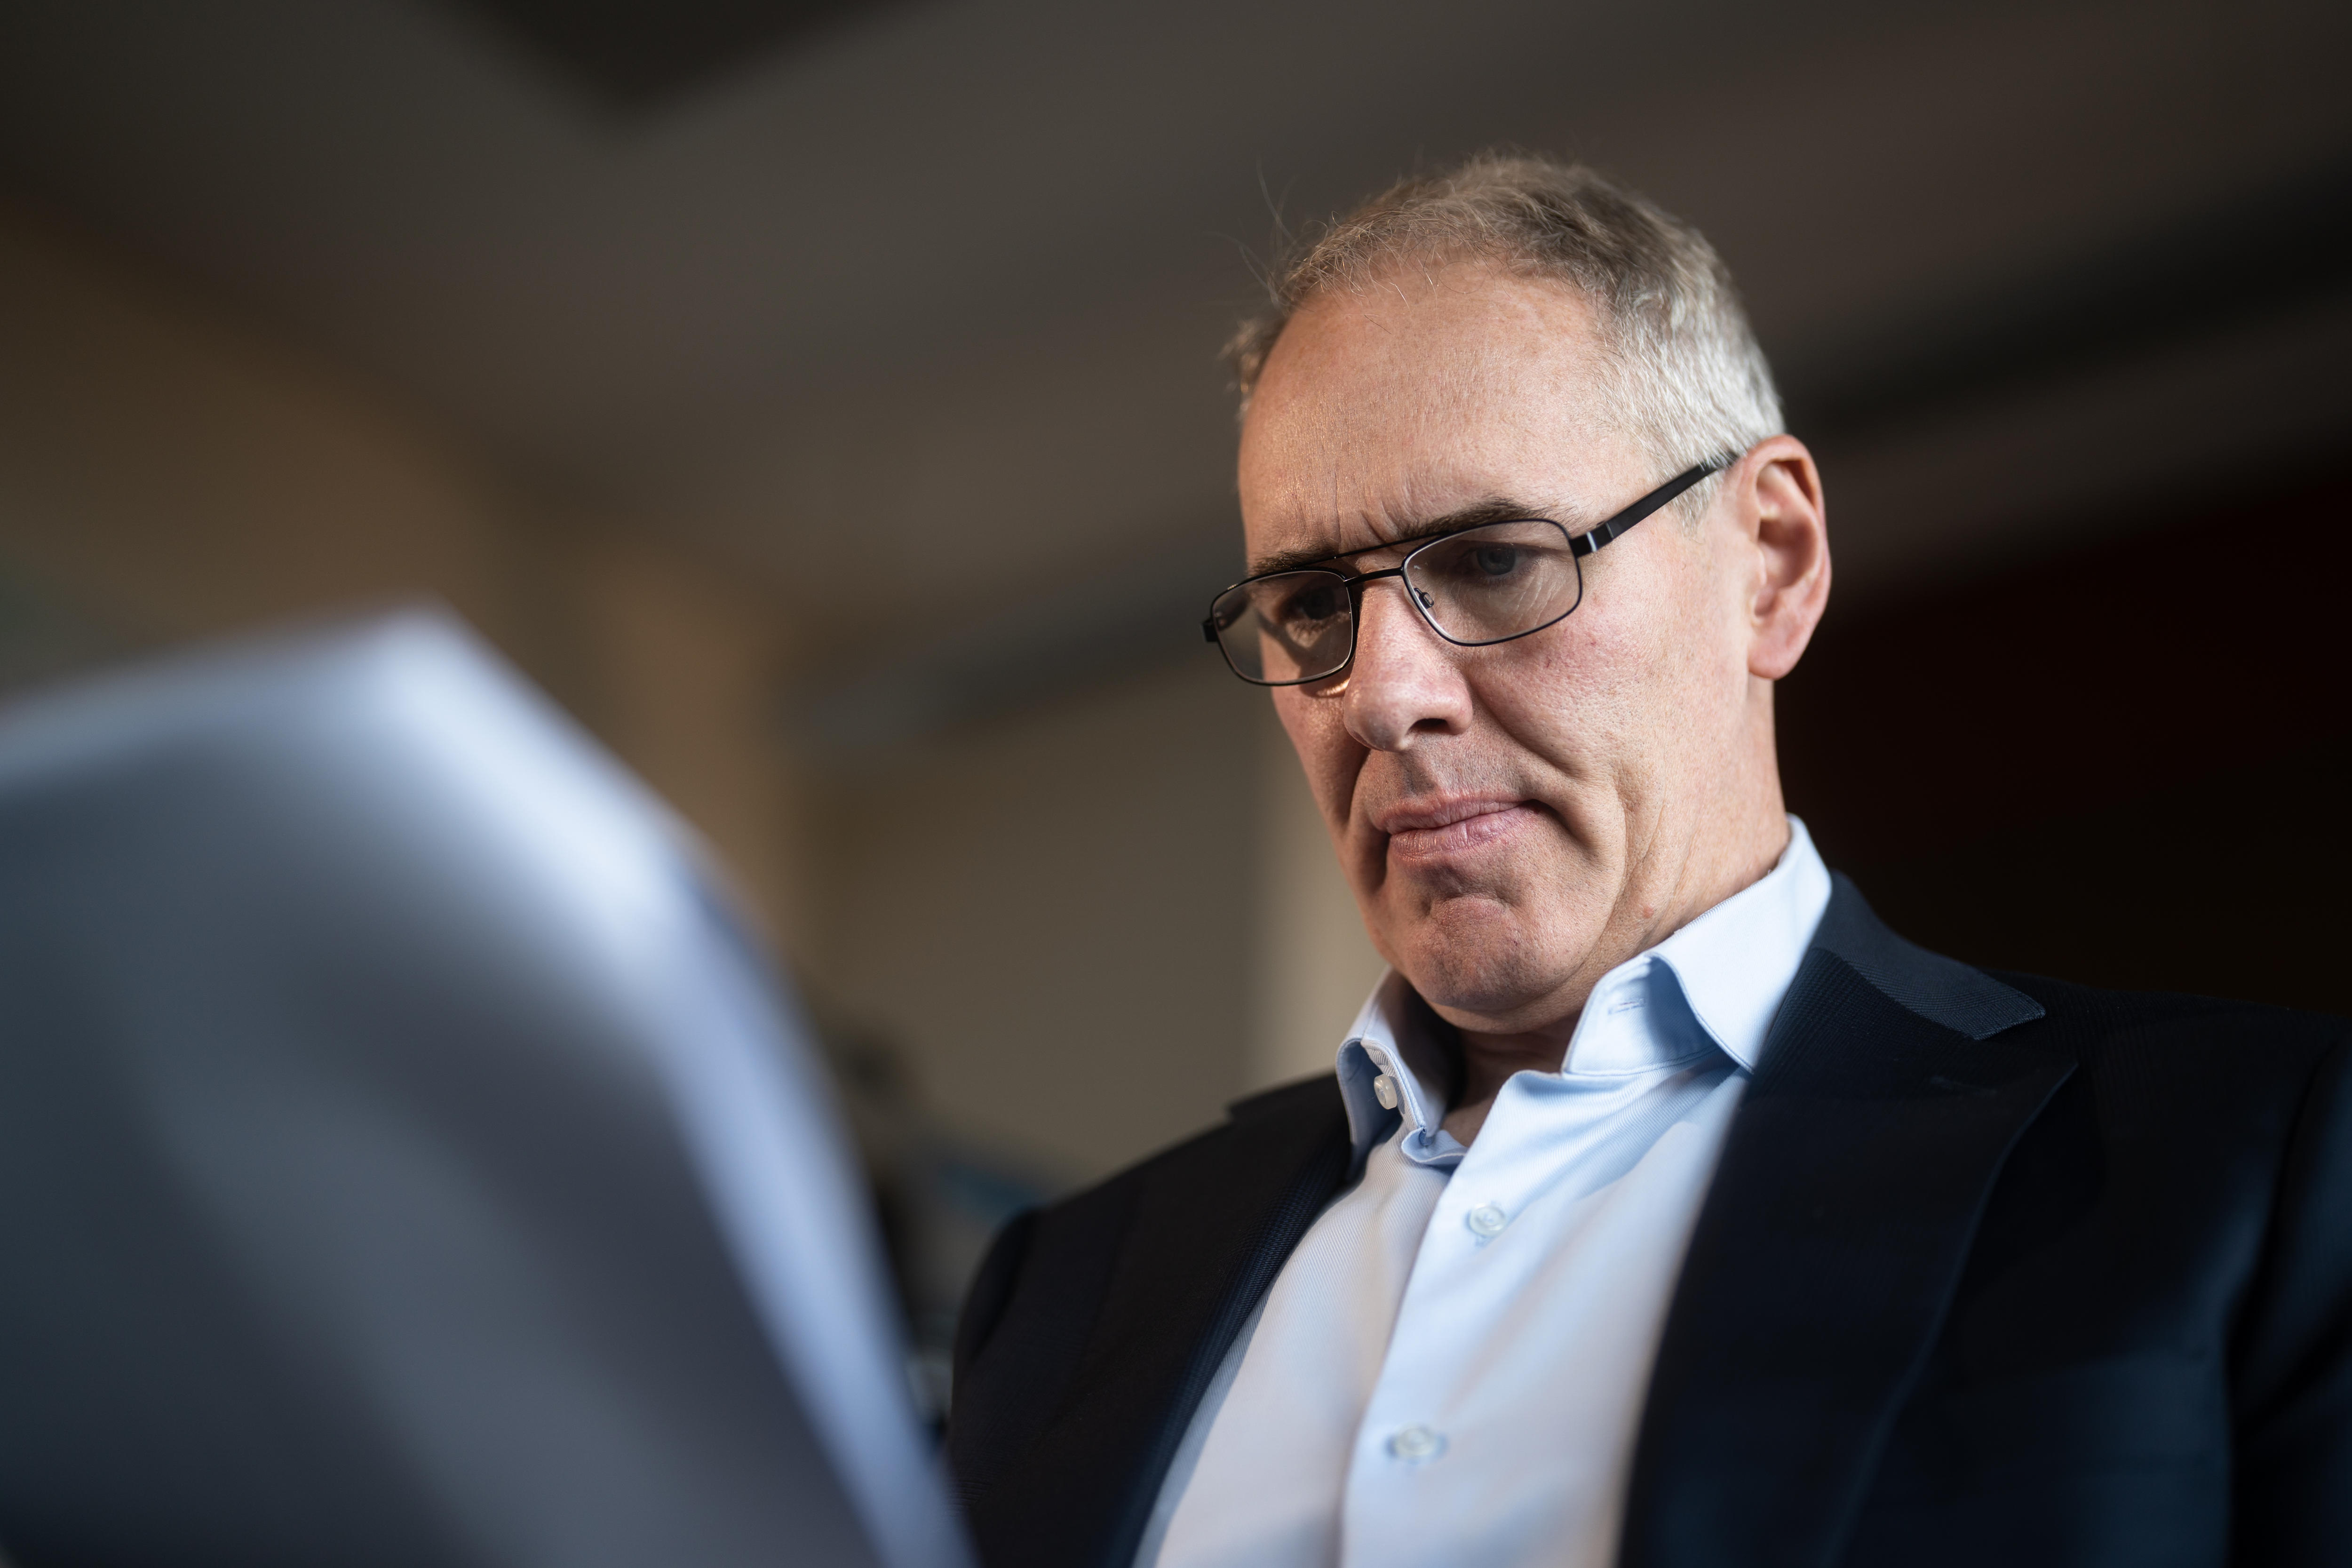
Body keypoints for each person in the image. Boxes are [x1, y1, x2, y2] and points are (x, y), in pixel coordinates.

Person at [943, 155, 2352, 1568]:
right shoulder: (1062, 1294)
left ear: (1772, 563)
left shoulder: (2260, 1160)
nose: (1379, 696)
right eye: (1309, 603)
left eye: (1493, 559)